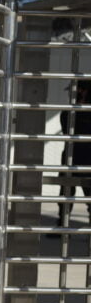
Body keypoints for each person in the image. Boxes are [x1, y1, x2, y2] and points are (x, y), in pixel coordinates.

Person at [58, 80, 91, 226]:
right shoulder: (68, 113)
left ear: (83, 91)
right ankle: (62, 224)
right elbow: (67, 129)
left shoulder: (70, 113)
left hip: (83, 160)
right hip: (71, 158)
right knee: (65, 195)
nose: (70, 95)